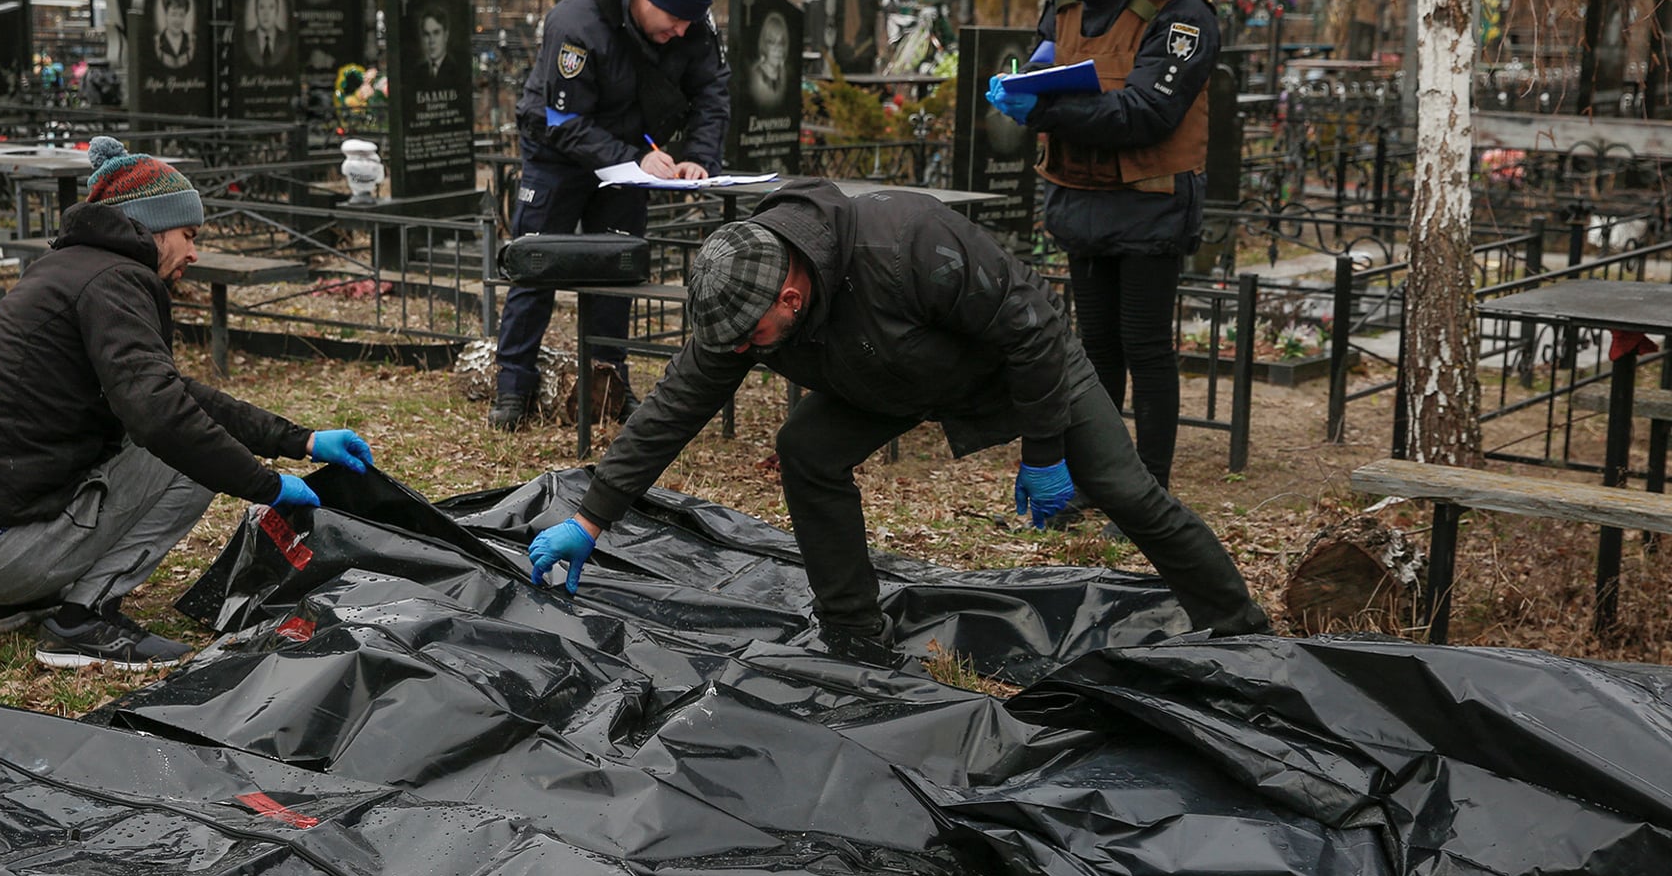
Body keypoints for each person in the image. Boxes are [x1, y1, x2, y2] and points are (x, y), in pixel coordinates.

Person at [523, 179, 1270, 646]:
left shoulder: (908, 243)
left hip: (1022, 364)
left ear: (791, 298)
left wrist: (1044, 448)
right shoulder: (747, 307)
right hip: (895, 377)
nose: (743, 352)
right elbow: (672, 408)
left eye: (753, 339)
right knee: (809, 448)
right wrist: (591, 518)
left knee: (1125, 488)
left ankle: (1242, 628)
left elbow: (1032, 329)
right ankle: (853, 628)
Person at [0, 136, 378, 670]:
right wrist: (268, 485)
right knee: (189, 460)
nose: (193, 252)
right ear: (152, 227)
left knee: (173, 430)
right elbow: (166, 417)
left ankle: (18, 601)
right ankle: (79, 620)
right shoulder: (115, 281)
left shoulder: (70, 268)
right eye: (188, 235)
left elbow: (171, 392)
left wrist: (300, 440)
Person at [987, 0, 1220, 506]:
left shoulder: (1181, 10)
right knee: (1096, 350)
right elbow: (1045, 58)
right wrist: (1022, 83)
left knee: (1144, 347)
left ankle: (1150, 493)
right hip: (1080, 198)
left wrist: (1045, 111)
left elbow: (1149, 113)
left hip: (1149, 202)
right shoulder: (1066, 0)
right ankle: (1099, 477)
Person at [490, 0, 730, 430]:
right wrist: (633, 157)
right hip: (557, 152)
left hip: (629, 161)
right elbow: (563, 120)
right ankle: (513, 385)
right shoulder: (576, 24)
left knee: (617, 270)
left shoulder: (690, 26)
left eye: (690, 22)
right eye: (675, 19)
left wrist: (698, 158)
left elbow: (712, 91)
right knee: (536, 263)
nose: (681, 31)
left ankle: (608, 387)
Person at [747, 10, 791, 109]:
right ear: (764, 45)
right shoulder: (755, 75)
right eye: (772, 42)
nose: (778, 49)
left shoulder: (785, 74)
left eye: (781, 42)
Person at [243, 0, 289, 69]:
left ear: (277, 11)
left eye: (271, 7)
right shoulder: (246, 39)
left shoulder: (286, 39)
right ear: (256, 11)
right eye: (261, 7)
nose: (266, 13)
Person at [155, 0, 195, 68]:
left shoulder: (192, 43)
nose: (178, 20)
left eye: (181, 15)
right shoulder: (157, 43)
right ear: (166, 15)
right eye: (173, 14)